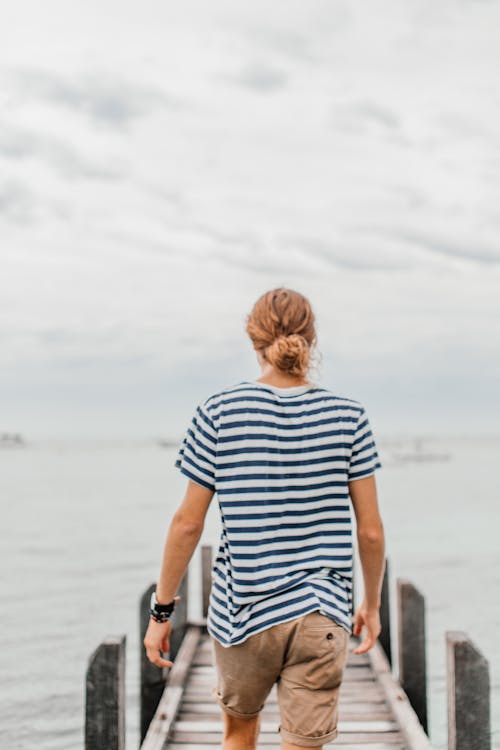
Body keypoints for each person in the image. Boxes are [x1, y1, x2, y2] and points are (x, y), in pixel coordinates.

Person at [144, 287, 385, 750]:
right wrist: (370, 607)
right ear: (311, 340)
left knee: (238, 735)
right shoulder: (348, 415)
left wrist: (162, 612)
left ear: (253, 340)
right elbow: (370, 531)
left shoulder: (219, 412)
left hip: (244, 612)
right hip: (320, 611)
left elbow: (187, 524)